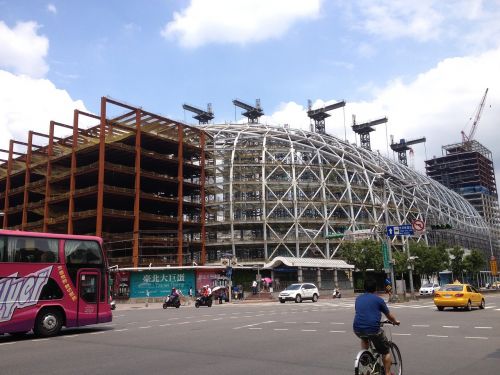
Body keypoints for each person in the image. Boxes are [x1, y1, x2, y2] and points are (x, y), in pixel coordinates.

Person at [353, 278, 400, 375]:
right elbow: (389, 315)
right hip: (373, 329)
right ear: (375, 288)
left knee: (365, 338)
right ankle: (387, 373)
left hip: (357, 328)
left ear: (364, 288)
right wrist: (395, 321)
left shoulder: (358, 299)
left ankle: (365, 356)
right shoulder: (378, 300)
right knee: (385, 351)